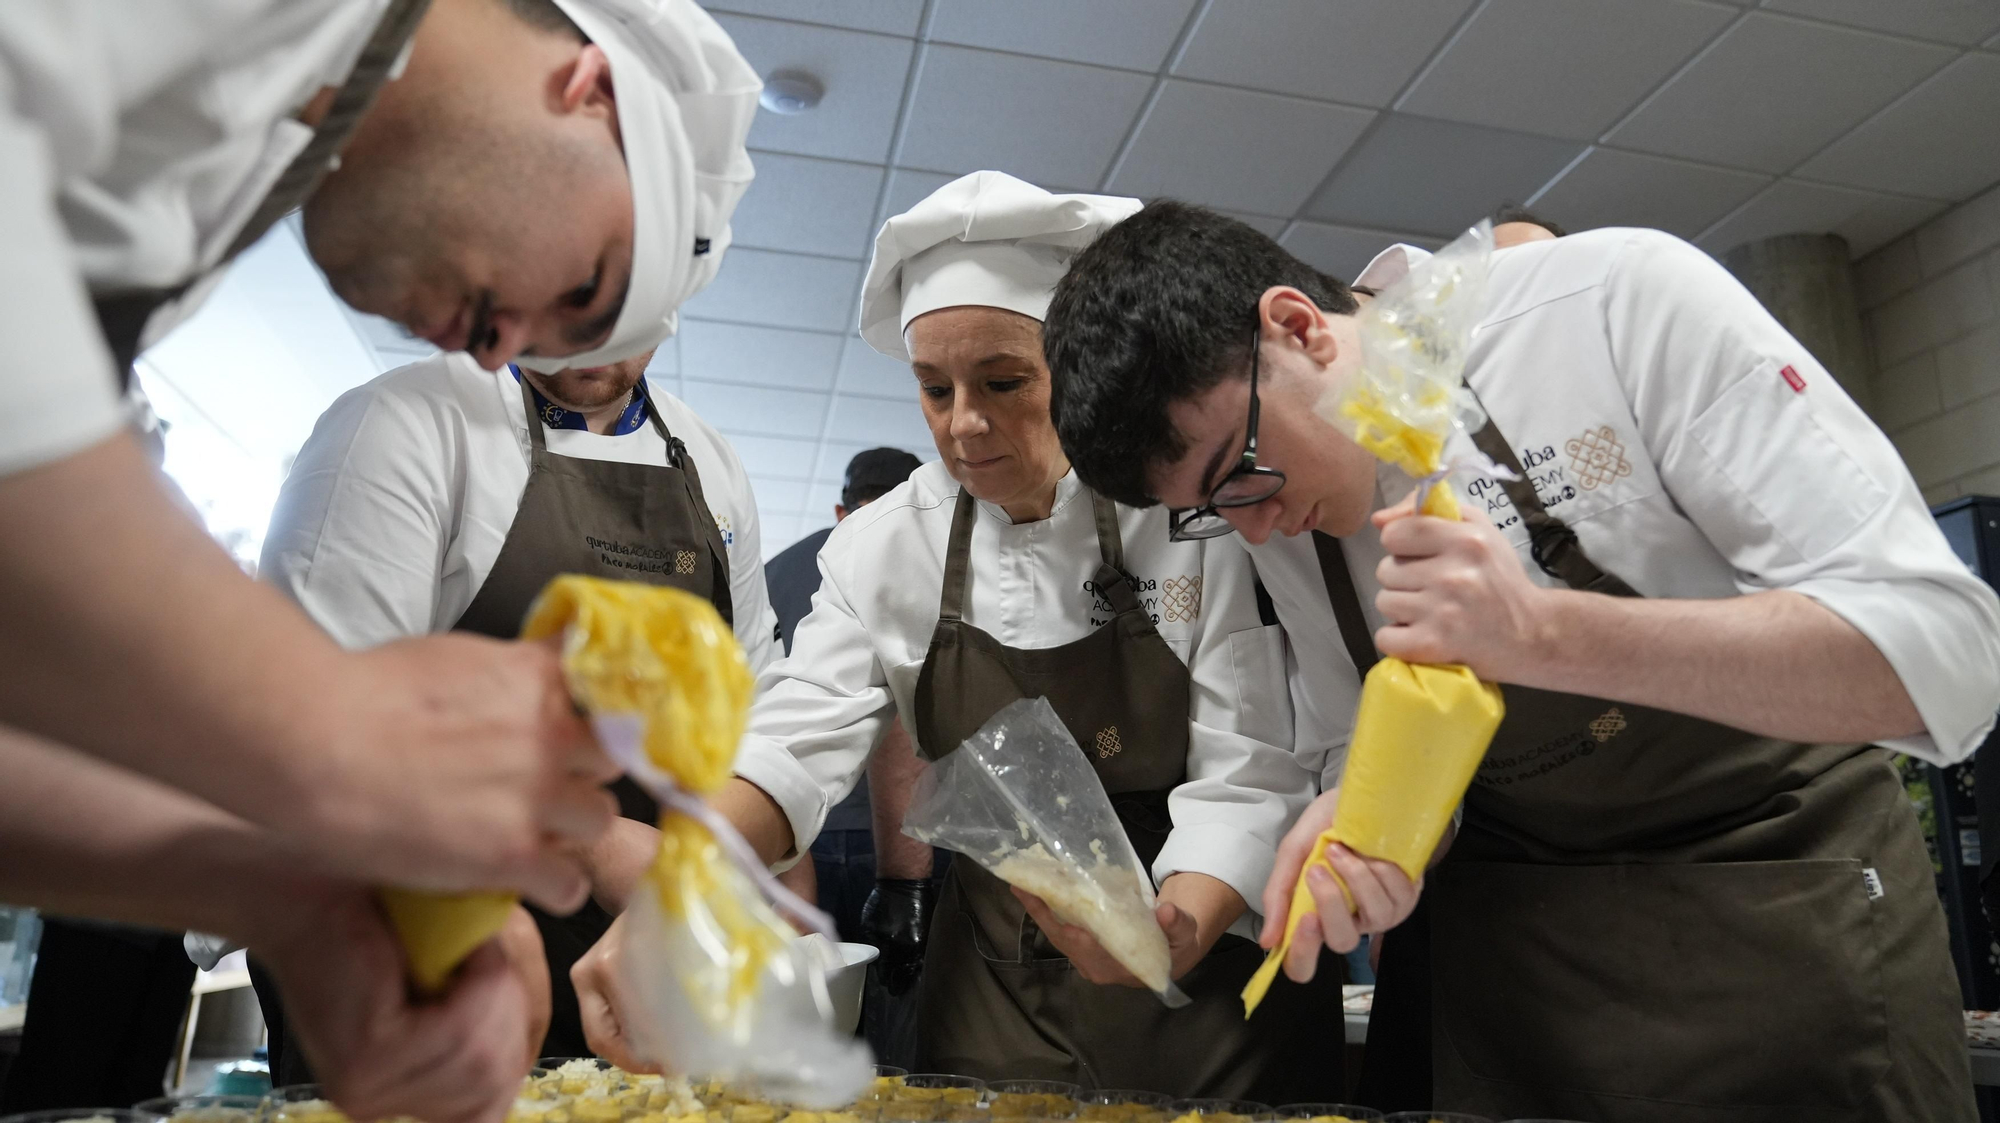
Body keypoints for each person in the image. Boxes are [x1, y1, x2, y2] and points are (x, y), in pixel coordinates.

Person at [1041, 200, 2000, 1121]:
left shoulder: (1608, 306)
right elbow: (1364, 744)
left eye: (1238, 475)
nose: (1255, 528)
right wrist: (1380, 830)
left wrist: (1546, 634)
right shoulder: (1289, 514)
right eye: (1213, 512)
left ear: (1298, 328)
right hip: (1530, 993)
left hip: (1785, 919)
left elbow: (1948, 656)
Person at [0, 0, 756, 1115]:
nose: (504, 351)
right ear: (590, 94)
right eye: (586, 289)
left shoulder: (219, 169)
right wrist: (334, 724)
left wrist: (300, 899)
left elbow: (45, 639)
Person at [576, 172, 1340, 1099]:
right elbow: (792, 745)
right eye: (934, 389)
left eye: (1004, 382)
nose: (964, 424)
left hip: (1207, 972)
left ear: (1075, 368)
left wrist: (1176, 923)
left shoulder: (1182, 509)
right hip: (994, 990)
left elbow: (1252, 763)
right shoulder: (882, 548)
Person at [256, 341, 777, 1065]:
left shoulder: (710, 465)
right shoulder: (400, 424)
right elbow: (326, 729)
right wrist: (597, 843)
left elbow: (755, 712)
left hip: (632, 953)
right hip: (412, 930)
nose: (598, 338)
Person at [763, 447, 934, 1067]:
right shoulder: (926, 556)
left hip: (792, 829)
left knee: (802, 1012)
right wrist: (906, 879)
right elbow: (904, 724)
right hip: (905, 838)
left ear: (842, 509)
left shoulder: (777, 569)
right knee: (897, 1021)